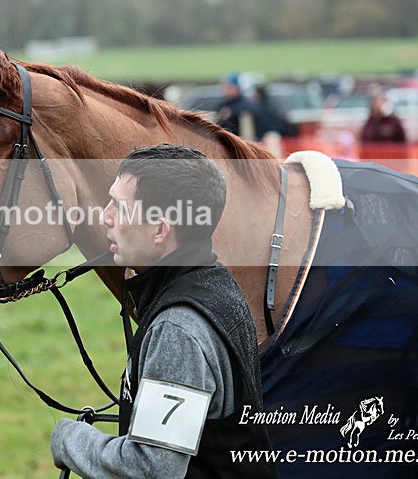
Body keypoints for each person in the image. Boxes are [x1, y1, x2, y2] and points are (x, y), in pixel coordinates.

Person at [50, 144, 277, 478]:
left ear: (160, 230)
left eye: (120, 207)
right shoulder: (213, 282)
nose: (105, 216)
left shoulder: (179, 329)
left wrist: (70, 440)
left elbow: (152, 468)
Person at [216, 73, 258, 140]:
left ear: (238, 88)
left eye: (229, 86)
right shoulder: (224, 104)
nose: (225, 89)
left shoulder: (247, 104)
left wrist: (232, 113)